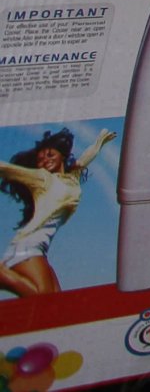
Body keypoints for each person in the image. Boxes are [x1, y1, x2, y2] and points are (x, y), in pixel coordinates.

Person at [0, 127, 112, 297]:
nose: (45, 161)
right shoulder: (42, 179)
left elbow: (86, 158)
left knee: (56, 303)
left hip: (40, 249)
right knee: (43, 301)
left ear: (62, 157)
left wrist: (100, 141)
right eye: (40, 159)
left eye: (50, 155)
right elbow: (6, 169)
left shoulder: (71, 178)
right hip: (26, 248)